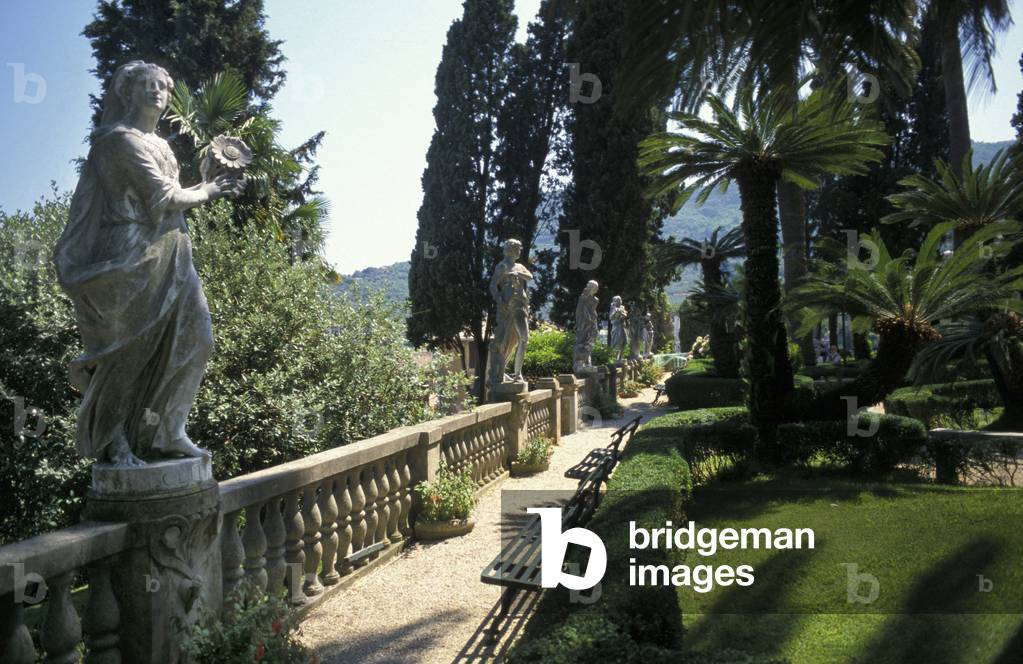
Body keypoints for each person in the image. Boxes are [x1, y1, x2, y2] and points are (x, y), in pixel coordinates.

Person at [53, 61, 244, 466]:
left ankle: (166, 431)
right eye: (147, 85)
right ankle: (113, 441)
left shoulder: (160, 144)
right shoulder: (118, 141)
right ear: (128, 92)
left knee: (196, 339)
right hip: (130, 253)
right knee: (129, 353)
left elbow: (173, 195)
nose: (157, 91)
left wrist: (205, 179)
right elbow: (164, 199)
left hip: (173, 250)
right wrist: (208, 190)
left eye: (163, 86)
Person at [487, 239, 532, 390]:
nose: (520, 251)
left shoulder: (519, 266)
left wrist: (518, 272)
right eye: (518, 248)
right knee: (510, 339)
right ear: (511, 250)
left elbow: (529, 276)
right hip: (509, 306)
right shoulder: (502, 266)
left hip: (521, 304)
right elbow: (493, 285)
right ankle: (503, 371)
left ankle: (517, 373)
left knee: (522, 338)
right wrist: (500, 300)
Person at [573, 280, 599, 372]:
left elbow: (593, 312)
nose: (595, 289)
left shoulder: (595, 300)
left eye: (596, 287)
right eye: (592, 286)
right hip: (584, 323)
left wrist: (593, 321)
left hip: (592, 324)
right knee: (582, 342)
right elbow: (579, 311)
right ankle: (579, 363)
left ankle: (588, 362)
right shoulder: (583, 298)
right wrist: (579, 322)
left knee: (590, 343)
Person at [608, 296, 629, 363]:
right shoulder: (613, 307)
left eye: (620, 300)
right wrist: (616, 312)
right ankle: (615, 358)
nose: (619, 301)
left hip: (622, 326)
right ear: (614, 301)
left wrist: (621, 313)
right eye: (617, 300)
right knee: (617, 342)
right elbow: (610, 317)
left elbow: (625, 314)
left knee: (624, 341)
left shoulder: (622, 307)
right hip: (616, 326)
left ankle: (620, 358)